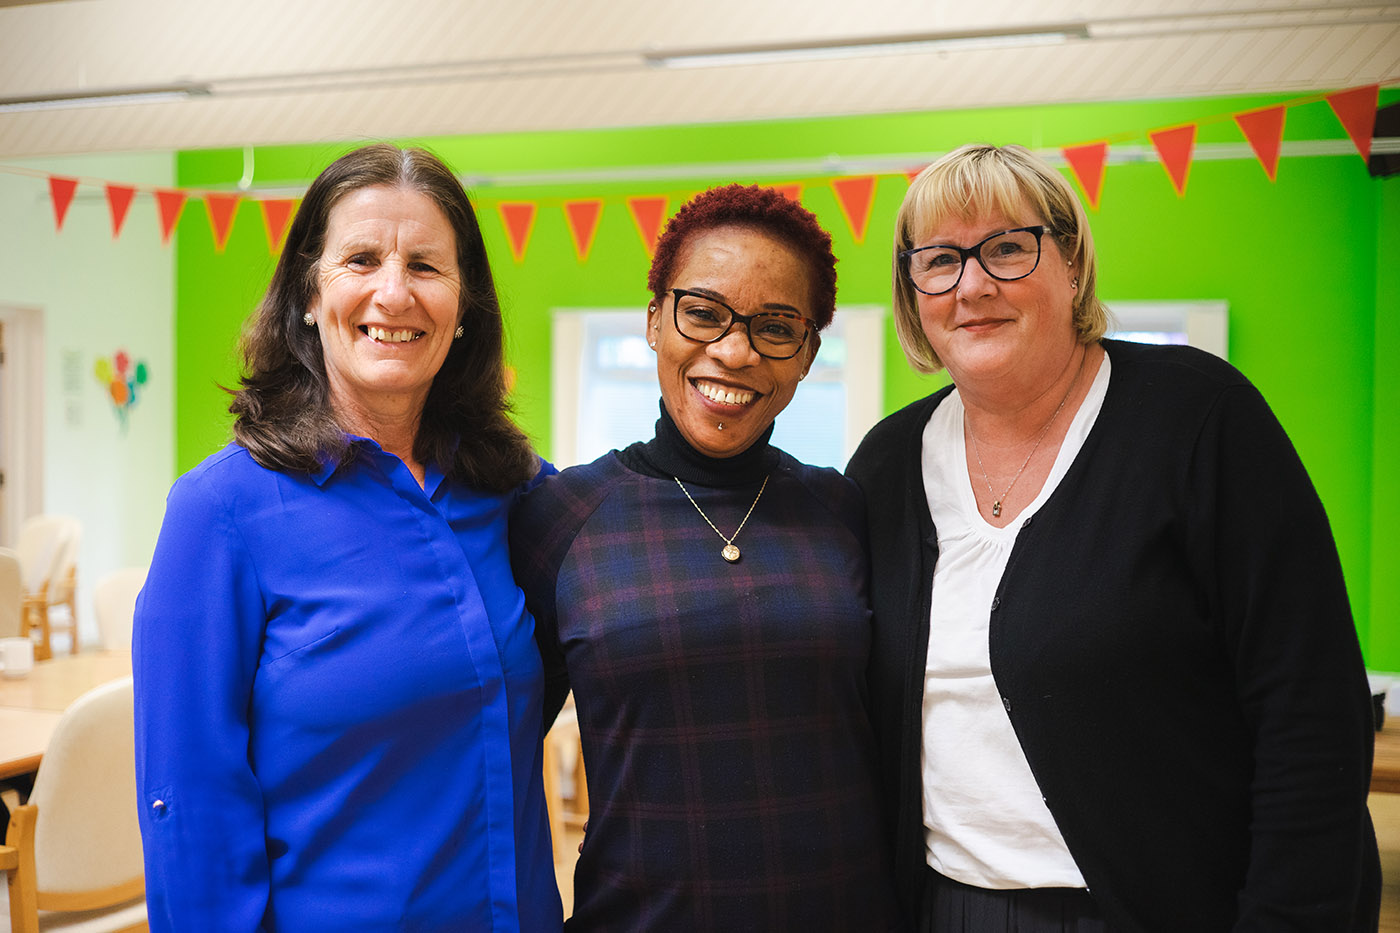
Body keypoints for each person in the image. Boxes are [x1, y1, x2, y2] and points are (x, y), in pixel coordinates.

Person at [845, 142, 1381, 931]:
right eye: (940, 259)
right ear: (912, 289)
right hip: (944, 905)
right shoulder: (885, 466)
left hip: (1171, 906)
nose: (972, 284)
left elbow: (1309, 710)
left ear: (1070, 264)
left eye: (1005, 247)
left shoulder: (1198, 420)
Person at [133, 143, 562, 932]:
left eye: (426, 267)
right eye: (360, 258)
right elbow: (189, 806)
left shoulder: (515, 491)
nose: (393, 292)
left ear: (465, 306)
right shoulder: (220, 512)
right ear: (307, 292)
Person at [511, 185, 902, 931]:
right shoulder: (561, 518)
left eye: (776, 326)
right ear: (656, 319)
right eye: (703, 312)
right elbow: (492, 754)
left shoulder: (844, 512)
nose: (733, 349)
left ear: (809, 354)